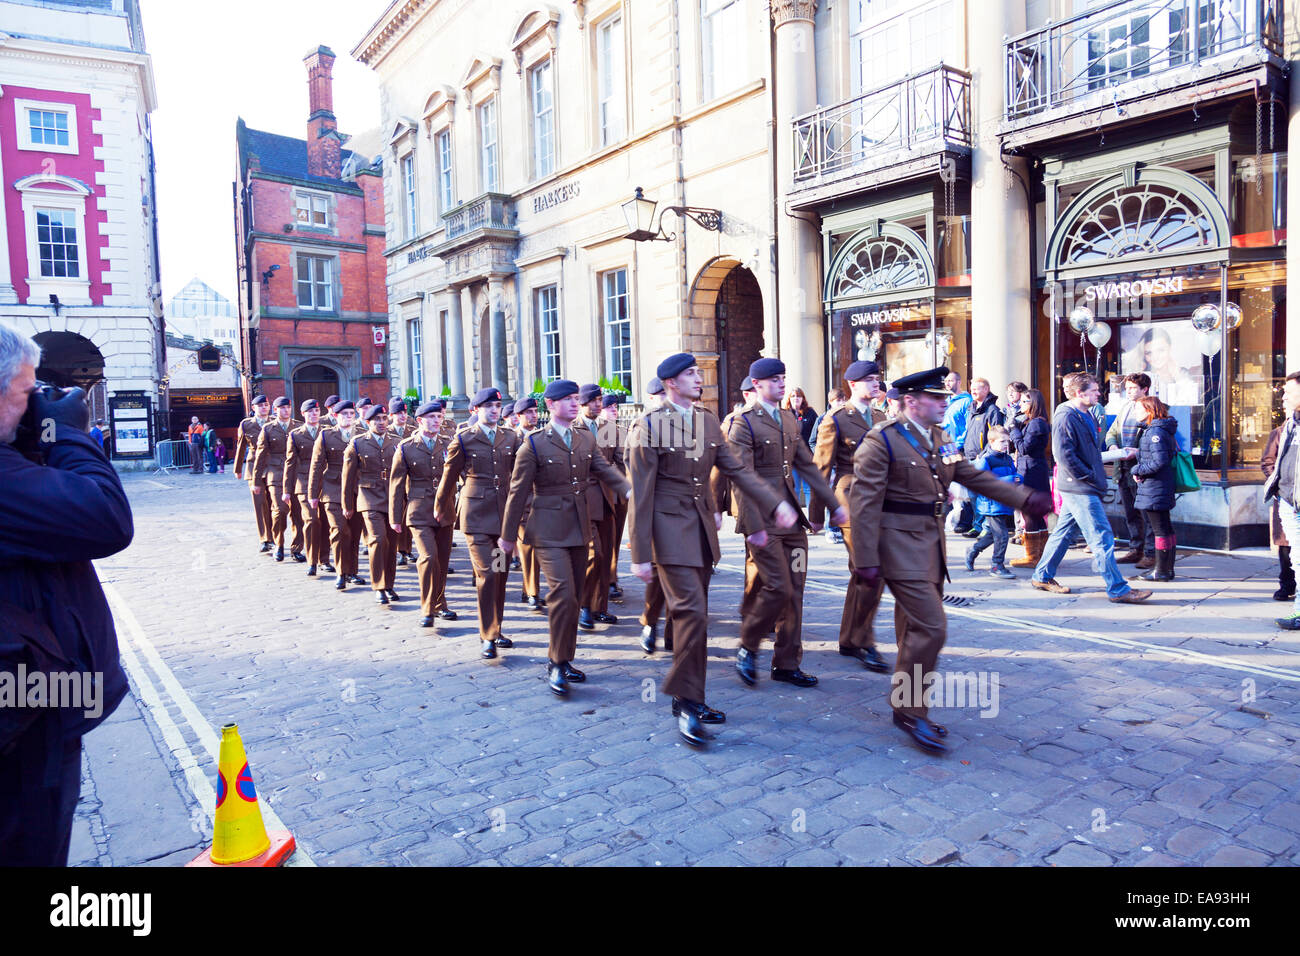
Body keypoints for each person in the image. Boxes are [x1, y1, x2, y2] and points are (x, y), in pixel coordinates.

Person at [848, 366, 1051, 754]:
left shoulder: (938, 437)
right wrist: (865, 560)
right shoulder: (881, 441)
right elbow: (863, 506)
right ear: (911, 402)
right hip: (897, 545)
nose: (945, 402)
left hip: (930, 546)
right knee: (932, 628)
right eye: (936, 398)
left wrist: (1024, 498)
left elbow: (971, 476)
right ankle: (909, 712)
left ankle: (907, 708)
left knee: (914, 631)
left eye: (944, 397)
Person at [0, 322, 133, 865]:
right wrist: (66, 435)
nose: (35, 406)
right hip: (23, 722)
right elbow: (104, 518)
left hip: (33, 701)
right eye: (27, 392)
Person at [628, 354, 795, 745]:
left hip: (701, 530)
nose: (699, 378)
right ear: (670, 383)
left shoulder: (705, 421)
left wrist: (775, 502)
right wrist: (639, 553)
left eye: (697, 372)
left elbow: (736, 469)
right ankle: (686, 701)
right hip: (668, 532)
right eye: (690, 373)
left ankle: (691, 695)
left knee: (696, 615)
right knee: (691, 615)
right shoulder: (648, 426)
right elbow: (641, 494)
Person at [499, 380, 631, 695]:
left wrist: (629, 489)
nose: (574, 403)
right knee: (561, 593)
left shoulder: (585, 438)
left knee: (574, 596)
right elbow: (517, 492)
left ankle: (565, 658)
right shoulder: (533, 444)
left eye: (576, 399)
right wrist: (506, 536)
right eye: (567, 399)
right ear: (551, 405)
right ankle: (557, 663)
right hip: (547, 529)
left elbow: (603, 470)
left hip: (579, 525)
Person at [726, 358, 842, 689]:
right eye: (774, 380)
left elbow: (807, 465)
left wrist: (833, 506)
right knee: (778, 586)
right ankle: (748, 646)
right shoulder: (742, 423)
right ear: (757, 385)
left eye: (783, 378)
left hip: (793, 524)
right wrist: (755, 525)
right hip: (763, 521)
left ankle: (787, 663)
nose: (781, 384)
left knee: (796, 591)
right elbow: (742, 478)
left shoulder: (788, 419)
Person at [1030, 372, 1152, 604]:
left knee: (1064, 533)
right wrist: (1087, 476)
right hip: (1079, 487)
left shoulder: (1087, 413)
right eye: (1095, 390)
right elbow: (1063, 455)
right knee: (1102, 536)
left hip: (1083, 485)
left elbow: (1089, 451)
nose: (1099, 393)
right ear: (1080, 393)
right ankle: (1117, 588)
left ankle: (1042, 575)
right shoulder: (1066, 416)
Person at [813, 359, 888, 672]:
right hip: (851, 498)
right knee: (870, 570)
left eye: (877, 379)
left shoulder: (883, 416)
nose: (875, 384)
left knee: (866, 572)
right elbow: (820, 467)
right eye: (869, 380)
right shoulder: (837, 418)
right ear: (853, 385)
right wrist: (817, 515)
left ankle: (850, 638)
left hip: (880, 500)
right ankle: (862, 641)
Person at [435, 388, 520, 659]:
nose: (494, 410)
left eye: (497, 406)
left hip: (503, 517)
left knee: (501, 574)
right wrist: (440, 506)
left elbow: (519, 474)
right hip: (476, 516)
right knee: (487, 574)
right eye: (488, 406)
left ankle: (496, 627)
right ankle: (487, 635)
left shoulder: (511, 437)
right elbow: (449, 477)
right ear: (475, 410)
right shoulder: (464, 438)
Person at [391, 400, 456, 628]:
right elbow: (397, 485)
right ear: (419, 421)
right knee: (428, 558)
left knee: (442, 559)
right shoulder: (406, 447)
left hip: (445, 510)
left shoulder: (450, 444)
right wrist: (395, 518)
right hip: (419, 511)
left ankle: (440, 602)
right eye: (431, 418)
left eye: (439, 417)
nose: (437, 421)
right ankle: (427, 608)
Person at [343, 403, 401, 605]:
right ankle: (379, 586)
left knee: (392, 543)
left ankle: (389, 584)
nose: (382, 423)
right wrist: (347, 505)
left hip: (393, 498)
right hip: (369, 497)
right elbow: (348, 477)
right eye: (377, 420)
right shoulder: (358, 443)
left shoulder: (397, 442)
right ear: (368, 422)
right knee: (377, 539)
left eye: (384, 419)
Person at [574, 384, 619, 630]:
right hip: (582, 500)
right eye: (594, 400)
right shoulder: (573, 429)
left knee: (606, 558)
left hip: (606, 499)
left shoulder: (608, 429)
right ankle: (583, 605)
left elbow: (621, 460)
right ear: (583, 403)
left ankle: (600, 607)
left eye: (600, 400)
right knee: (594, 554)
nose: (598, 404)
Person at [309, 401, 365, 591]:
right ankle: (341, 573)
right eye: (344, 414)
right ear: (335, 416)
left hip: (357, 489)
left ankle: (352, 572)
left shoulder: (362, 435)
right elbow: (316, 466)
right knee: (340, 531)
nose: (349, 417)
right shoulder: (326, 436)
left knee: (355, 533)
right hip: (332, 489)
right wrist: (313, 494)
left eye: (351, 414)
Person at [1128, 395, 1180, 583]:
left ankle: (1161, 571)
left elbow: (1159, 461)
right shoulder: (1157, 430)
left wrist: (1137, 469)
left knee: (1160, 529)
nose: (1135, 412)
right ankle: (1167, 570)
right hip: (1159, 486)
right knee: (1165, 527)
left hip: (1155, 487)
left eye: (1138, 408)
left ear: (1149, 410)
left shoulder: (1155, 432)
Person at [1106, 373, 1155, 568]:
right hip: (1122, 466)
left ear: (1145, 389)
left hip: (1141, 469)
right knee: (1130, 512)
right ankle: (1136, 549)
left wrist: (1137, 452)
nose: (1129, 391)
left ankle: (1151, 553)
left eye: (1133, 388)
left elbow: (1154, 439)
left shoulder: (1152, 409)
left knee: (1146, 513)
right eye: (1127, 388)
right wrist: (1112, 447)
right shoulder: (1125, 408)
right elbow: (1112, 432)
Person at [1263, 372, 1300, 628]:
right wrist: (1277, 488)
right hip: (1288, 501)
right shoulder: (1289, 424)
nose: (1283, 395)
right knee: (1297, 559)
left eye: (1288, 390)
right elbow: (1275, 461)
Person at [965, 425, 1021, 578]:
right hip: (991, 504)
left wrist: (1017, 479)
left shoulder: (1007, 458)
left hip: (1004, 501)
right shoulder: (986, 460)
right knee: (1002, 535)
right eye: (1002, 441)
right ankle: (997, 565)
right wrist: (1008, 480)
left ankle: (973, 550)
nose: (1006, 445)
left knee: (993, 534)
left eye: (1007, 442)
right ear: (991, 442)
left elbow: (1013, 474)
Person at [253, 397, 304, 563]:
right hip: (276, 474)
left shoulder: (298, 426)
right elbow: (260, 456)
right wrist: (256, 481)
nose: (286, 411)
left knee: (299, 513)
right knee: (280, 511)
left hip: (297, 474)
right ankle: (279, 544)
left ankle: (297, 548)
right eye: (282, 408)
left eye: (288, 407)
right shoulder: (268, 429)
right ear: (275, 410)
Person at [283, 399, 330, 578]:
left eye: (317, 411)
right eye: (310, 412)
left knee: (325, 522)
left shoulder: (327, 433)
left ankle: (324, 559)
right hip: (303, 483)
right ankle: (311, 561)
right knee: (311, 521)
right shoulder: (295, 435)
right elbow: (290, 464)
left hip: (326, 483)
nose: (314, 414)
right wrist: (287, 490)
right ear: (303, 414)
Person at [1008, 388, 1052, 568]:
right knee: (1035, 513)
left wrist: (1014, 431)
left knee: (1030, 513)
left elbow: (1024, 448)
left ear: (1033, 403)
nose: (1021, 404)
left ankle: (1033, 556)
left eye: (1025, 401)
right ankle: (1039, 554)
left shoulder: (1036, 424)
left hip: (1031, 471)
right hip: (1033, 469)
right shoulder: (1034, 422)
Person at [512, 397, 546, 612]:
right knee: (527, 548)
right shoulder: (512, 439)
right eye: (529, 412)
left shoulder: (539, 438)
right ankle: (533, 592)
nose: (534, 416)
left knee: (537, 548)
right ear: (519, 417)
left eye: (535, 411)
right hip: (521, 502)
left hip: (539, 501)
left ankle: (528, 589)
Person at [233, 395, 273, 553]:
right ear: (253, 407)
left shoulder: (275, 422)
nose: (264, 407)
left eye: (266, 404)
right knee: (259, 504)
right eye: (260, 405)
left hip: (273, 467)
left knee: (274, 505)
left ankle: (275, 536)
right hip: (253, 465)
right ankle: (264, 538)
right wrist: (237, 468)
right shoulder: (246, 424)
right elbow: (241, 446)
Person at [601, 393, 630, 603]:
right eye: (609, 407)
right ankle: (606, 580)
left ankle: (612, 577)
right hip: (602, 493)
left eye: (615, 407)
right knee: (602, 542)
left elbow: (627, 462)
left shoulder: (622, 431)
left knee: (616, 539)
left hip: (620, 494)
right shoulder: (596, 432)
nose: (614, 411)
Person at [1262, 423, 1295, 602]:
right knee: (1286, 544)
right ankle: (1287, 584)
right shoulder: (1280, 432)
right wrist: (1279, 487)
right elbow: (1268, 461)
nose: (1284, 400)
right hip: (1287, 498)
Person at [387, 397, 416, 566]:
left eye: (404, 412)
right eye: (398, 413)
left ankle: (408, 549)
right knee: (397, 514)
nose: (402, 416)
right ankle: (399, 550)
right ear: (391, 415)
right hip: (394, 479)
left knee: (408, 517)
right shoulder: (387, 431)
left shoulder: (413, 431)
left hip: (410, 481)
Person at [783, 386, 819, 511]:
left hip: (808, 457)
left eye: (798, 396)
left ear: (803, 398)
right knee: (795, 489)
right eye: (793, 396)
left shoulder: (811, 413)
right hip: (792, 458)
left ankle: (811, 522)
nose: (796, 399)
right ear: (789, 399)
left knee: (809, 489)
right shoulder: (785, 414)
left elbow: (818, 434)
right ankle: (798, 523)